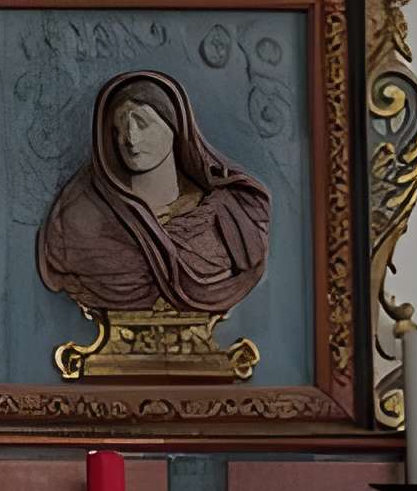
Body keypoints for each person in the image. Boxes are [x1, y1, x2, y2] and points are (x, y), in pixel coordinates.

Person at [35, 70, 273, 318]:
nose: (130, 138)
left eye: (142, 123)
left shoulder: (231, 213)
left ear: (174, 125)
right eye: (119, 127)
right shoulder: (78, 220)